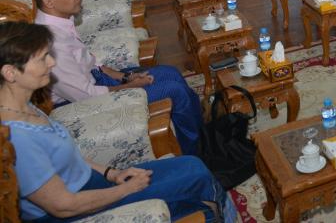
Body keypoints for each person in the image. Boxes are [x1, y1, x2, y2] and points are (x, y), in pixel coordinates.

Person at [0, 21, 235, 222]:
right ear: (10, 72)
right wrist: (126, 189)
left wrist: (111, 173)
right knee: (196, 186)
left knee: (192, 167)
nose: (52, 63)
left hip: (94, 183)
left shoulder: (24, 106)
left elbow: (68, 157)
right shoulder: (17, 138)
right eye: (43, 58)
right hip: (77, 206)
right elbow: (63, 206)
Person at [32, 0, 202, 155]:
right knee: (175, 90)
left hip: (97, 80)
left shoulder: (61, 20)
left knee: (171, 73)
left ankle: (202, 134)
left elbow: (91, 62)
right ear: (49, 1)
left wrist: (125, 77)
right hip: (85, 103)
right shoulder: (52, 44)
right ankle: (194, 152)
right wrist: (131, 86)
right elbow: (85, 96)